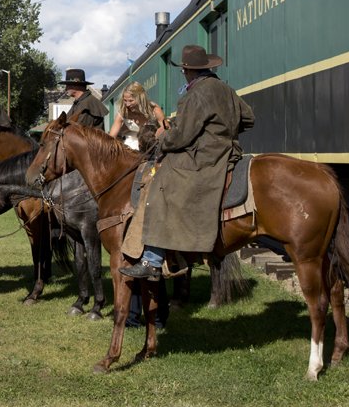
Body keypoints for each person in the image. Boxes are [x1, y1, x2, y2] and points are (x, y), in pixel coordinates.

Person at [121, 45, 255, 280]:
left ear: (186, 70)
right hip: (228, 151)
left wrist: (162, 138)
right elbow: (248, 118)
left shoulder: (194, 94)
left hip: (203, 156)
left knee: (158, 183)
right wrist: (224, 131)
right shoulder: (225, 88)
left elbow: (182, 135)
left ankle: (152, 260)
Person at [108, 81, 167, 150]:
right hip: (130, 145)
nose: (127, 104)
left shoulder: (154, 109)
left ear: (140, 98)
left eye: (131, 100)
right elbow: (111, 138)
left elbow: (166, 128)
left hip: (152, 144)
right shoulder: (123, 113)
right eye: (125, 100)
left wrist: (159, 133)